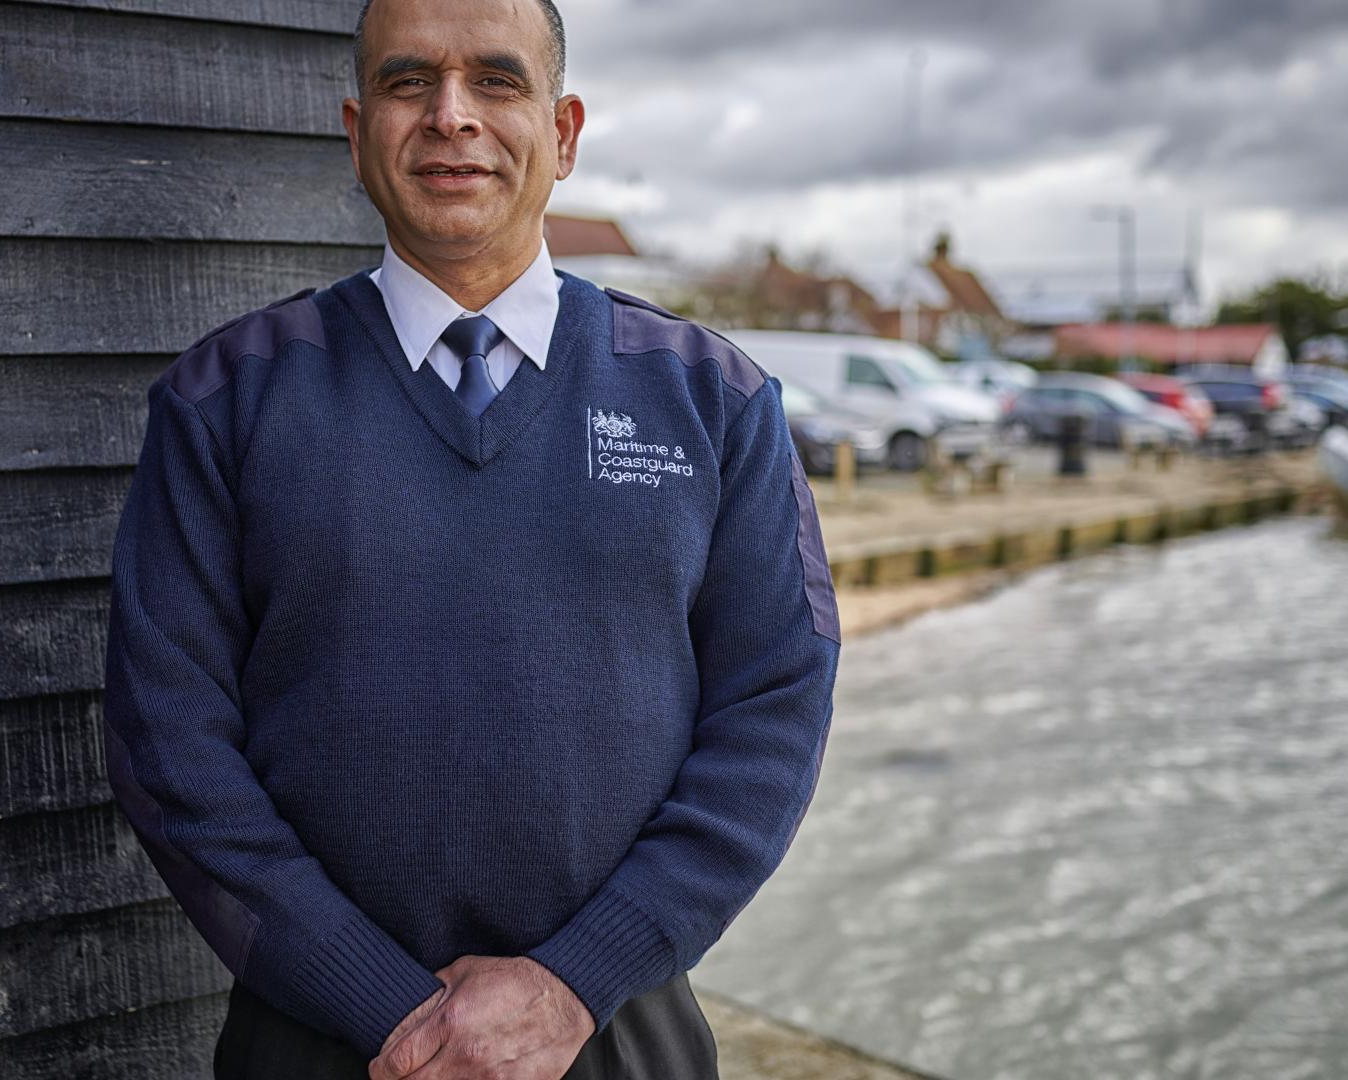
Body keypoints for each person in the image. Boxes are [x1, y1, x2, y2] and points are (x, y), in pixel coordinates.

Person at [100, 0, 842, 1076]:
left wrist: (577, 978)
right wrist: (384, 1005)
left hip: (615, 1037)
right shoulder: (227, 400)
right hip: (319, 1046)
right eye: (409, 83)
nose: (451, 116)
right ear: (357, 134)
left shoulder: (710, 401)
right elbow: (166, 743)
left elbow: (775, 708)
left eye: (495, 81)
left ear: (565, 132)